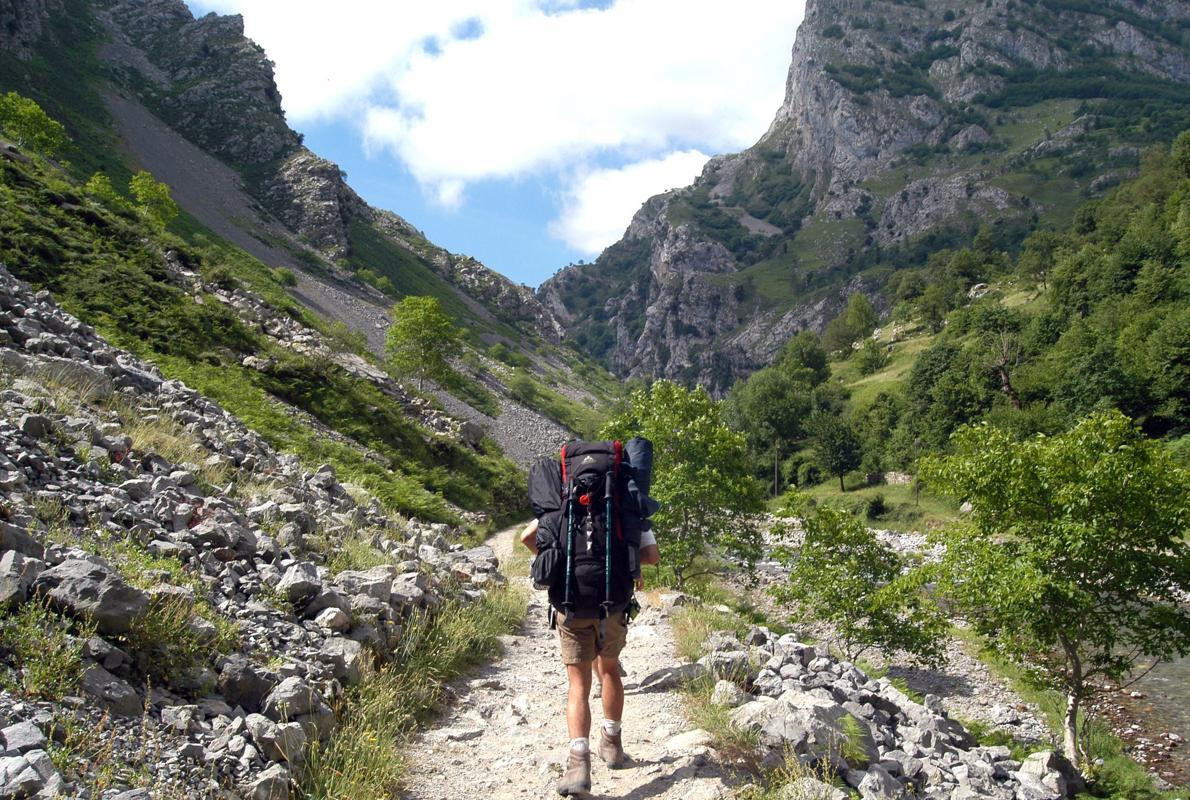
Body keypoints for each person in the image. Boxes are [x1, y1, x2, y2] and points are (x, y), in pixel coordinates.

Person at [519, 517, 660, 797]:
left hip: (572, 604)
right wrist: (621, 563)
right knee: (609, 670)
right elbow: (652, 556)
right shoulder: (621, 500)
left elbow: (526, 537)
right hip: (614, 603)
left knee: (578, 685)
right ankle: (612, 744)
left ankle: (579, 765)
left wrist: (560, 559)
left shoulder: (561, 502)